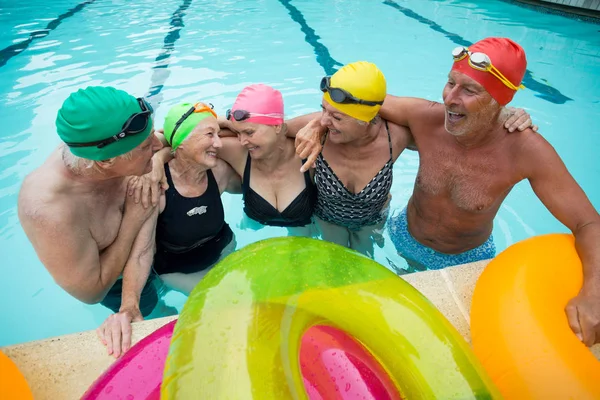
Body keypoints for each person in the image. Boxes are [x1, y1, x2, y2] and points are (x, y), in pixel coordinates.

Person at [302, 38, 600, 346]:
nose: (449, 98)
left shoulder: (525, 150)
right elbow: (354, 103)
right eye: (449, 83)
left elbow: (589, 223)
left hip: (466, 259)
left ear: (500, 99)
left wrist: (594, 293)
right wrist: (316, 125)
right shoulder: (426, 118)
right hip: (400, 237)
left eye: (469, 90)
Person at [288, 61, 534, 258]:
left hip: (372, 221)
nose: (324, 121)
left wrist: (501, 114)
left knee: (366, 262)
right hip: (327, 218)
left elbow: (457, 134)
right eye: (323, 111)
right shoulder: (318, 128)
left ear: (367, 120)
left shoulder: (397, 136)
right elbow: (273, 129)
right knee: (333, 259)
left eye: (337, 117)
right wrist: (315, 126)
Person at [18, 86, 164, 347]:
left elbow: (166, 142)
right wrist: (132, 220)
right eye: (146, 146)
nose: (157, 144)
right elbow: (92, 291)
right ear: (106, 162)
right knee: (156, 313)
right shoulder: (50, 209)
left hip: (159, 248)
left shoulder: (109, 145)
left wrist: (156, 165)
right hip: (120, 286)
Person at [97, 101, 241, 357]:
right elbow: (142, 252)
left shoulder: (218, 171)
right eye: (210, 135)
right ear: (181, 143)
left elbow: (252, 181)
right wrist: (129, 306)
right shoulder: (157, 187)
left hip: (224, 249)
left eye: (217, 135)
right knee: (220, 311)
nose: (219, 143)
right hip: (179, 270)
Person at [218, 84, 318, 235]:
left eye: (249, 132)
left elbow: (333, 118)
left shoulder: (307, 150)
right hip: (253, 225)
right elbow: (187, 136)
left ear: (277, 127)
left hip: (302, 228)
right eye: (237, 132)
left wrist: (286, 126)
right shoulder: (239, 152)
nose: (242, 141)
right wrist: (227, 124)